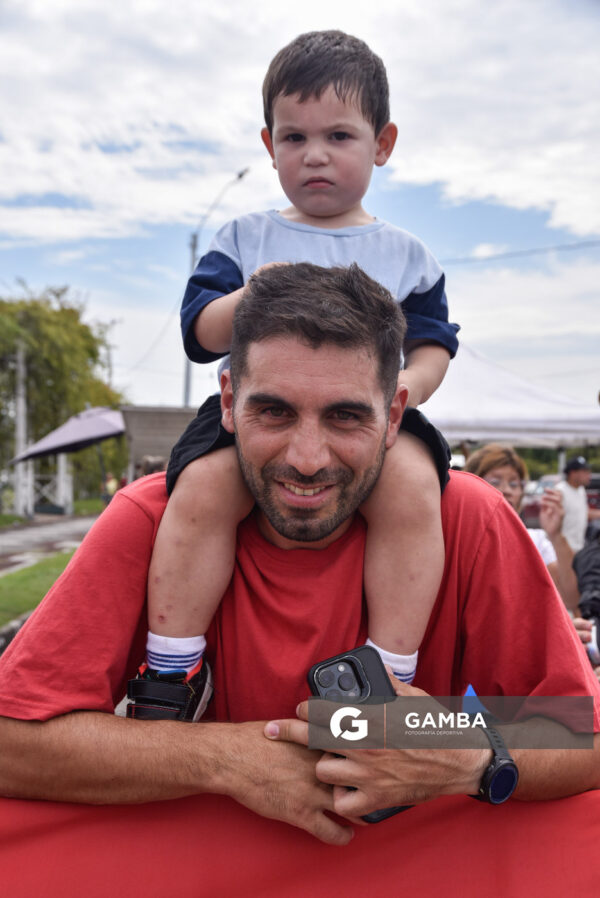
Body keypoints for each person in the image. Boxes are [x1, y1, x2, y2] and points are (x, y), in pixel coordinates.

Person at [0, 264, 598, 896]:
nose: (306, 459)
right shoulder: (151, 519)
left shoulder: (468, 519)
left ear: (396, 413)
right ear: (228, 402)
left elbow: (581, 735)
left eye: (345, 417)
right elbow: (13, 738)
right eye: (274, 412)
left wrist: (460, 749)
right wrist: (228, 762)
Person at [141, 29, 460, 711]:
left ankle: (387, 678)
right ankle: (173, 673)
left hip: (371, 416)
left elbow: (433, 343)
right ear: (269, 145)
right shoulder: (245, 238)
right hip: (258, 415)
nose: (315, 155)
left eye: (339, 136)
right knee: (199, 489)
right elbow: (198, 333)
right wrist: (251, 294)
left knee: (410, 488)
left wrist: (404, 395)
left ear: (383, 143)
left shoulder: (407, 254)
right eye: (294, 138)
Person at [464, 443, 579, 611]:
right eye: (495, 481)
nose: (506, 490)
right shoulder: (459, 540)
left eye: (514, 484)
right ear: (472, 485)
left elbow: (571, 599)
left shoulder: (535, 540)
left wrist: (556, 536)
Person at [556, 456, 600, 553]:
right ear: (573, 473)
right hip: (563, 549)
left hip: (578, 548)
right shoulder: (559, 491)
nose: (589, 475)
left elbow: (583, 513)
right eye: (585, 471)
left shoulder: (581, 490)